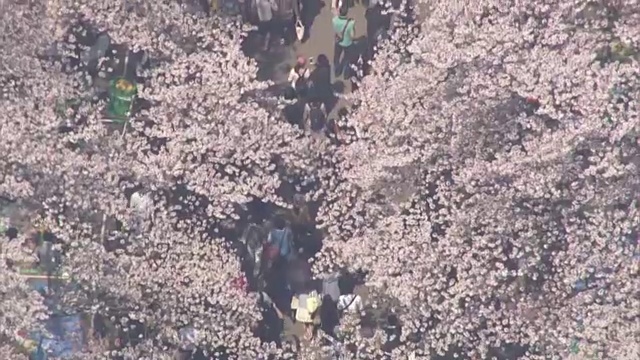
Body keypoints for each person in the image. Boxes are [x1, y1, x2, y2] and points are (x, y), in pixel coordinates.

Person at [332, 4, 356, 78]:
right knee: (346, 58)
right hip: (347, 43)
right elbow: (352, 35)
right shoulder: (350, 23)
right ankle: (345, 74)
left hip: (338, 41)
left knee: (336, 57)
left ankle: (337, 71)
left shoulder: (334, 20)